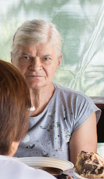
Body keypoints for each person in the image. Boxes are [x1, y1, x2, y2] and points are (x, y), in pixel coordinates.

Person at [9, 19, 99, 162]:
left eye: (46, 58)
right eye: (26, 57)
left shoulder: (78, 106)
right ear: (12, 60)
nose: (36, 66)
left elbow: (83, 174)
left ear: (58, 62)